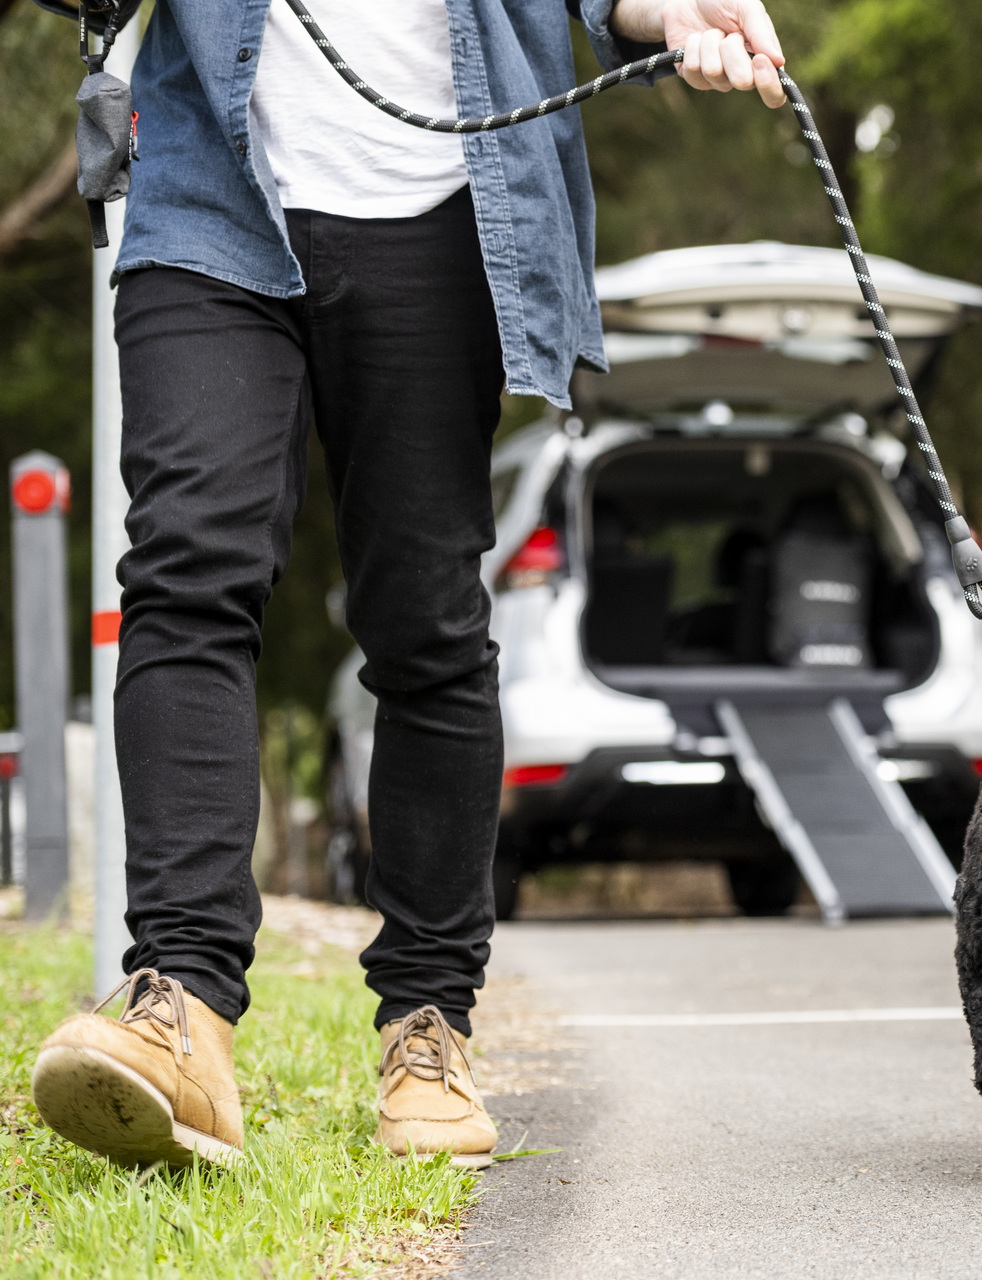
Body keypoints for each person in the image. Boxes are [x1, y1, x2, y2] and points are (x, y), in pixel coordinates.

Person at [30, 0, 788, 1171]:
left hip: (448, 213)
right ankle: (182, 1005)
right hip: (212, 198)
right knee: (186, 565)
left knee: (426, 622)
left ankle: (427, 1027)